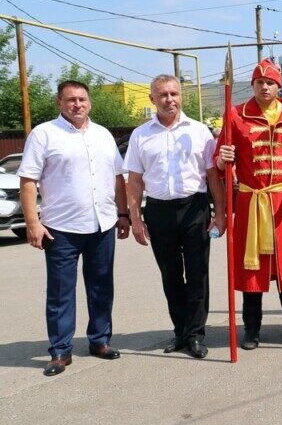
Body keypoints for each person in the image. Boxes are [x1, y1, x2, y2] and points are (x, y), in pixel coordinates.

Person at [18, 80, 131, 376]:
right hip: (60, 229)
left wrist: (123, 214)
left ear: (90, 102)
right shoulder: (44, 134)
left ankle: (100, 340)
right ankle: (59, 350)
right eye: (70, 100)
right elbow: (28, 180)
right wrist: (33, 223)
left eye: (82, 99)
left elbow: (118, 177)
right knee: (60, 293)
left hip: (102, 225)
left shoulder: (103, 135)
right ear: (59, 103)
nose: (77, 104)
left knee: (101, 288)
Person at [125, 75, 226, 359]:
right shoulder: (141, 135)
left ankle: (195, 334)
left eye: (174, 93)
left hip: (195, 208)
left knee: (197, 274)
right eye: (162, 95)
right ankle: (180, 331)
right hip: (158, 211)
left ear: (181, 96)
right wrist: (135, 218)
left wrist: (221, 212)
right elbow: (134, 180)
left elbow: (212, 175)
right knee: (170, 274)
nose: (169, 99)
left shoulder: (199, 131)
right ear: (152, 99)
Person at [215, 59, 282, 350]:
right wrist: (223, 159)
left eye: (270, 83)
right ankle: (251, 329)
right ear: (252, 85)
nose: (264, 87)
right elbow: (219, 161)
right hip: (250, 199)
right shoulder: (235, 115)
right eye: (259, 83)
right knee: (251, 267)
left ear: (279, 86)